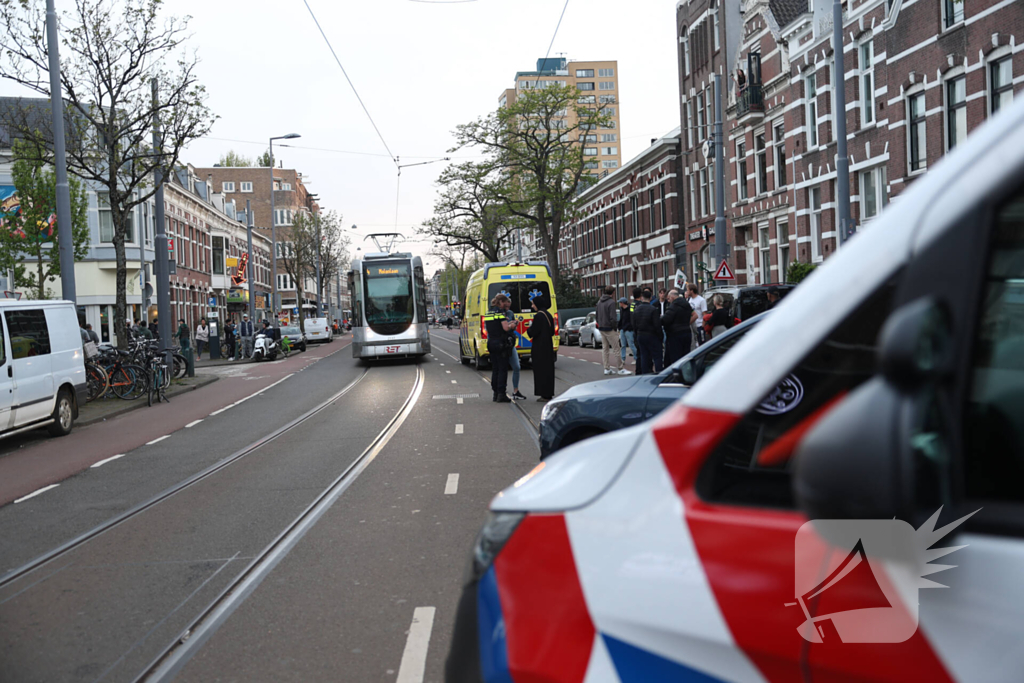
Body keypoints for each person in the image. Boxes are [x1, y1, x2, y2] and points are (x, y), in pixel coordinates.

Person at [484, 294, 515, 403]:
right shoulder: (500, 312)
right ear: (501, 302)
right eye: (505, 302)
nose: (506, 305)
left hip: (491, 342)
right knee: (502, 369)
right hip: (501, 343)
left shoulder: (488, 312)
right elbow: (505, 328)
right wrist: (512, 325)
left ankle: (495, 393)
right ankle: (501, 394)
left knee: (495, 369)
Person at [526, 294, 556, 401]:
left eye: (533, 304)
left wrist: (529, 328)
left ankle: (544, 394)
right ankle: (549, 392)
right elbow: (552, 332)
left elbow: (533, 332)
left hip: (539, 347)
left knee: (541, 371)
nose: (532, 306)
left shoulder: (539, 316)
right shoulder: (548, 314)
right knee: (548, 370)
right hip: (548, 346)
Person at [497, 295, 527, 400]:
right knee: (501, 369)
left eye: (509, 307)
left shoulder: (510, 313)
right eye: (506, 307)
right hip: (501, 344)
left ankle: (516, 390)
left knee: (517, 367)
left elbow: (510, 328)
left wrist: (513, 324)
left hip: (510, 343)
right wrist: (509, 325)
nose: (508, 309)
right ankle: (500, 392)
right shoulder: (497, 313)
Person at [596, 286, 628, 375]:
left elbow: (597, 316)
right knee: (616, 349)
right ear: (612, 293)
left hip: (602, 328)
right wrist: (614, 327)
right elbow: (613, 318)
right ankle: (620, 368)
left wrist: (600, 324)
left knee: (605, 349)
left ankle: (606, 368)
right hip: (609, 328)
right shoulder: (611, 302)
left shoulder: (599, 302)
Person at [632, 288, 663, 375]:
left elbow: (634, 325)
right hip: (652, 335)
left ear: (642, 298)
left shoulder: (636, 310)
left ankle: (645, 374)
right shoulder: (653, 309)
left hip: (641, 335)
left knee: (644, 356)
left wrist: (637, 335)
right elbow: (657, 325)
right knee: (657, 356)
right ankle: (659, 374)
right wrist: (660, 336)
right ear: (650, 298)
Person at [661, 289, 696, 366]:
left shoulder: (673, 306)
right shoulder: (687, 304)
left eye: (669, 298)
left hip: (675, 334)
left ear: (672, 297)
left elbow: (666, 320)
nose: (669, 301)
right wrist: (686, 323)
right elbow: (695, 315)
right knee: (685, 355)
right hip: (687, 332)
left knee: (676, 357)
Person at [686, 283, 707, 350]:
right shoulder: (690, 300)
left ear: (692, 291)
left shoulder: (701, 300)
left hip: (699, 325)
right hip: (692, 326)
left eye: (688, 290)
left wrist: (703, 326)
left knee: (701, 344)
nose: (687, 292)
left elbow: (704, 313)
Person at [617, 297, 635, 367]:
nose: (619, 304)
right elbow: (621, 319)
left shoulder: (630, 309)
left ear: (622, 303)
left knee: (631, 344)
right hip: (622, 329)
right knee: (623, 345)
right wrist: (620, 327)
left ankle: (636, 358)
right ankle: (623, 359)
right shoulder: (621, 310)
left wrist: (630, 327)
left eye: (620, 302)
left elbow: (631, 319)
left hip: (628, 330)